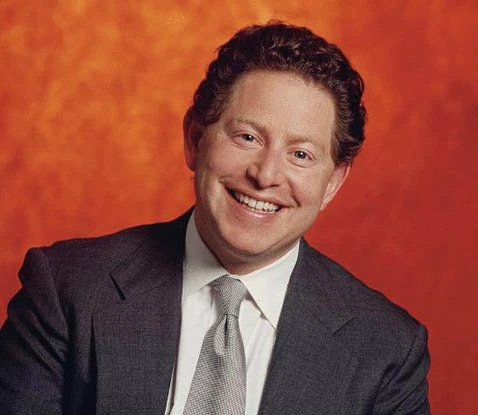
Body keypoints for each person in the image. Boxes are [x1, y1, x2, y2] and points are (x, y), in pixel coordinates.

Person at [0, 22, 430, 414]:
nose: (265, 175)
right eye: (247, 137)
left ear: (332, 182)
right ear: (195, 140)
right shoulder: (66, 290)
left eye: (300, 154)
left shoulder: (387, 352)